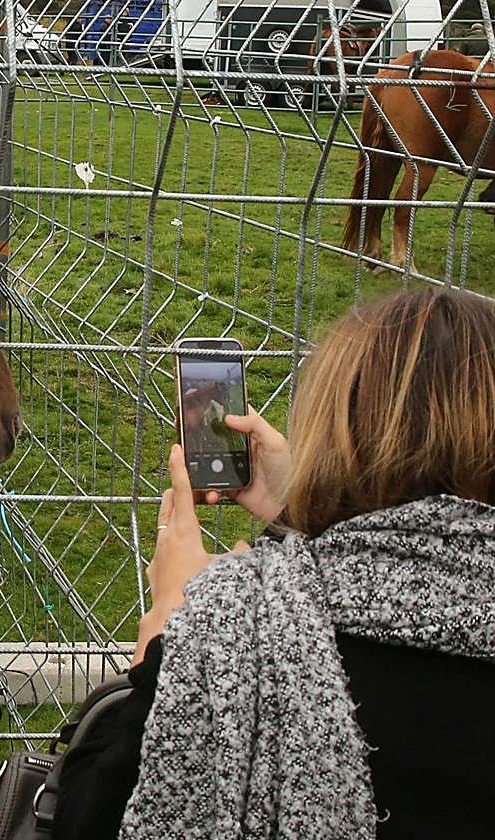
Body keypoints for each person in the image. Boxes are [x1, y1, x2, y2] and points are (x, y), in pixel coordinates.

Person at [54, 288, 495, 839]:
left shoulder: (237, 628)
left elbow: (92, 817)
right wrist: (301, 510)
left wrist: (172, 626)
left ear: (337, 428)